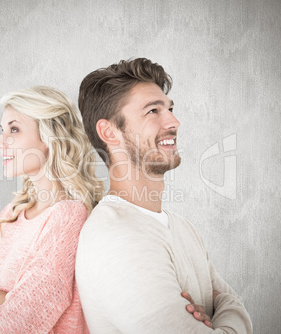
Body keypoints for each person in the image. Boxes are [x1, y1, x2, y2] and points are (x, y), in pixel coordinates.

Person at [75, 58, 252, 333]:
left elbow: (228, 298)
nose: (174, 121)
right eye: (153, 111)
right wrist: (230, 313)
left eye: (170, 108)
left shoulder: (182, 227)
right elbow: (230, 302)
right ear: (109, 132)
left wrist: (226, 310)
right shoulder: (114, 236)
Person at [0, 86, 103, 333]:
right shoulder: (13, 212)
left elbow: (14, 327)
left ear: (50, 138)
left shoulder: (68, 216)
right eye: (2, 130)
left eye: (13, 129)